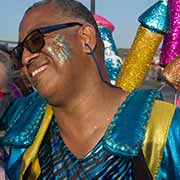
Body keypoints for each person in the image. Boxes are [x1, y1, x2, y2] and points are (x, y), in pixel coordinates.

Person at [0, 0, 153, 179]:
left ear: (85, 37)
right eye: (19, 52)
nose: (25, 58)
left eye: (36, 40)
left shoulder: (161, 130)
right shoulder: (20, 120)